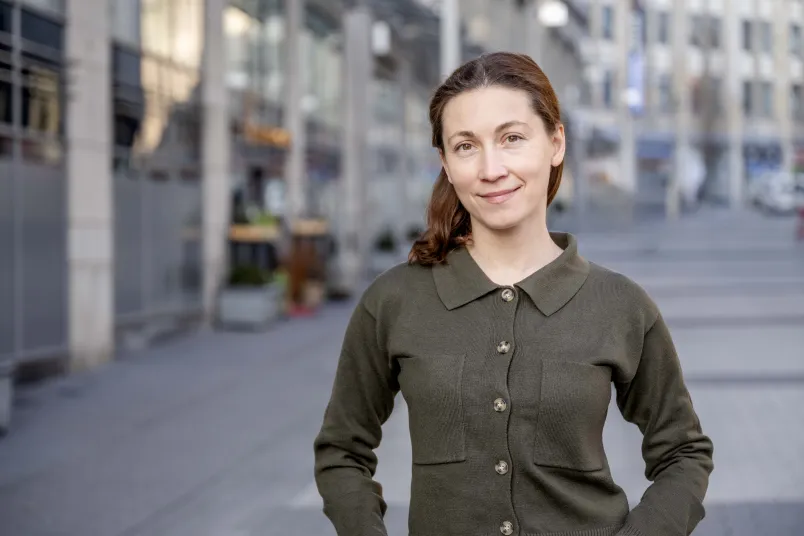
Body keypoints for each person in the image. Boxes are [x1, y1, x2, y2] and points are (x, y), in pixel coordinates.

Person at [314, 52, 714, 536]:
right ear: (445, 162)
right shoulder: (395, 301)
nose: (491, 168)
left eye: (512, 138)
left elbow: (683, 452)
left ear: (556, 143)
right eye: (465, 146)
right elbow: (342, 451)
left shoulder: (620, 305)